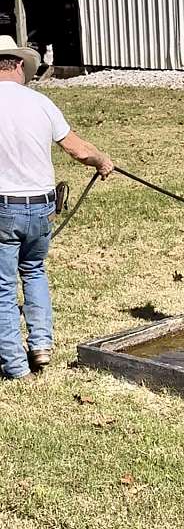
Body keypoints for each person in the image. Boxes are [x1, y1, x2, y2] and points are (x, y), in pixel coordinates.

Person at [0, 35, 114, 381]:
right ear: (19, 65)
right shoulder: (41, 103)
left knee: (3, 287)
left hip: (4, 206)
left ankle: (15, 366)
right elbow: (77, 149)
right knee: (34, 271)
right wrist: (102, 161)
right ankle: (41, 346)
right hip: (41, 206)